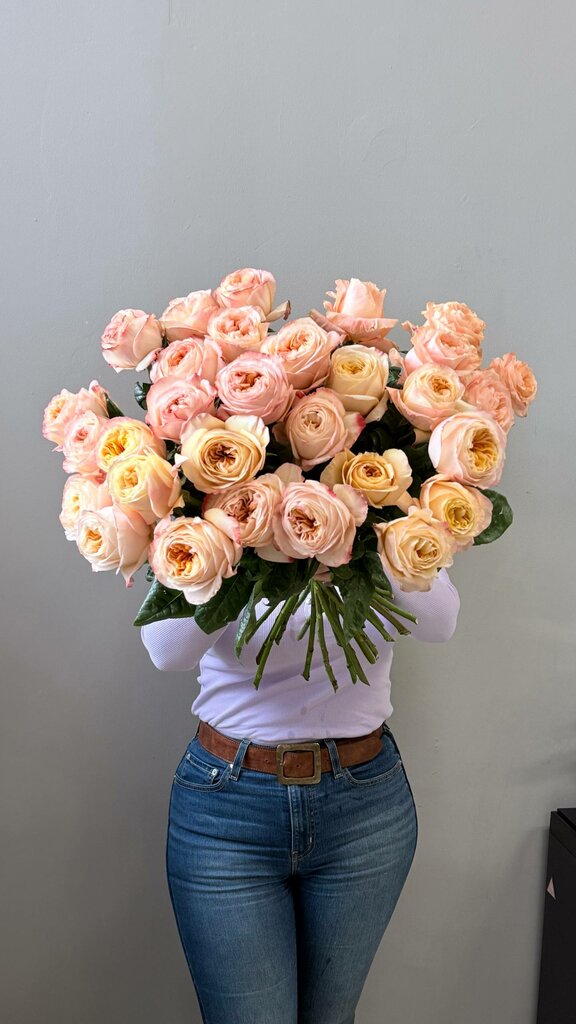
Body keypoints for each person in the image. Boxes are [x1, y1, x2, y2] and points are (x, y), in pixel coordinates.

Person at [141, 567, 460, 1024]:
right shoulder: (207, 526)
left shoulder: (385, 524)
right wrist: (236, 545)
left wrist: (374, 531)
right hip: (227, 814)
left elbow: (439, 622)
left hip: (362, 812)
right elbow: (167, 650)